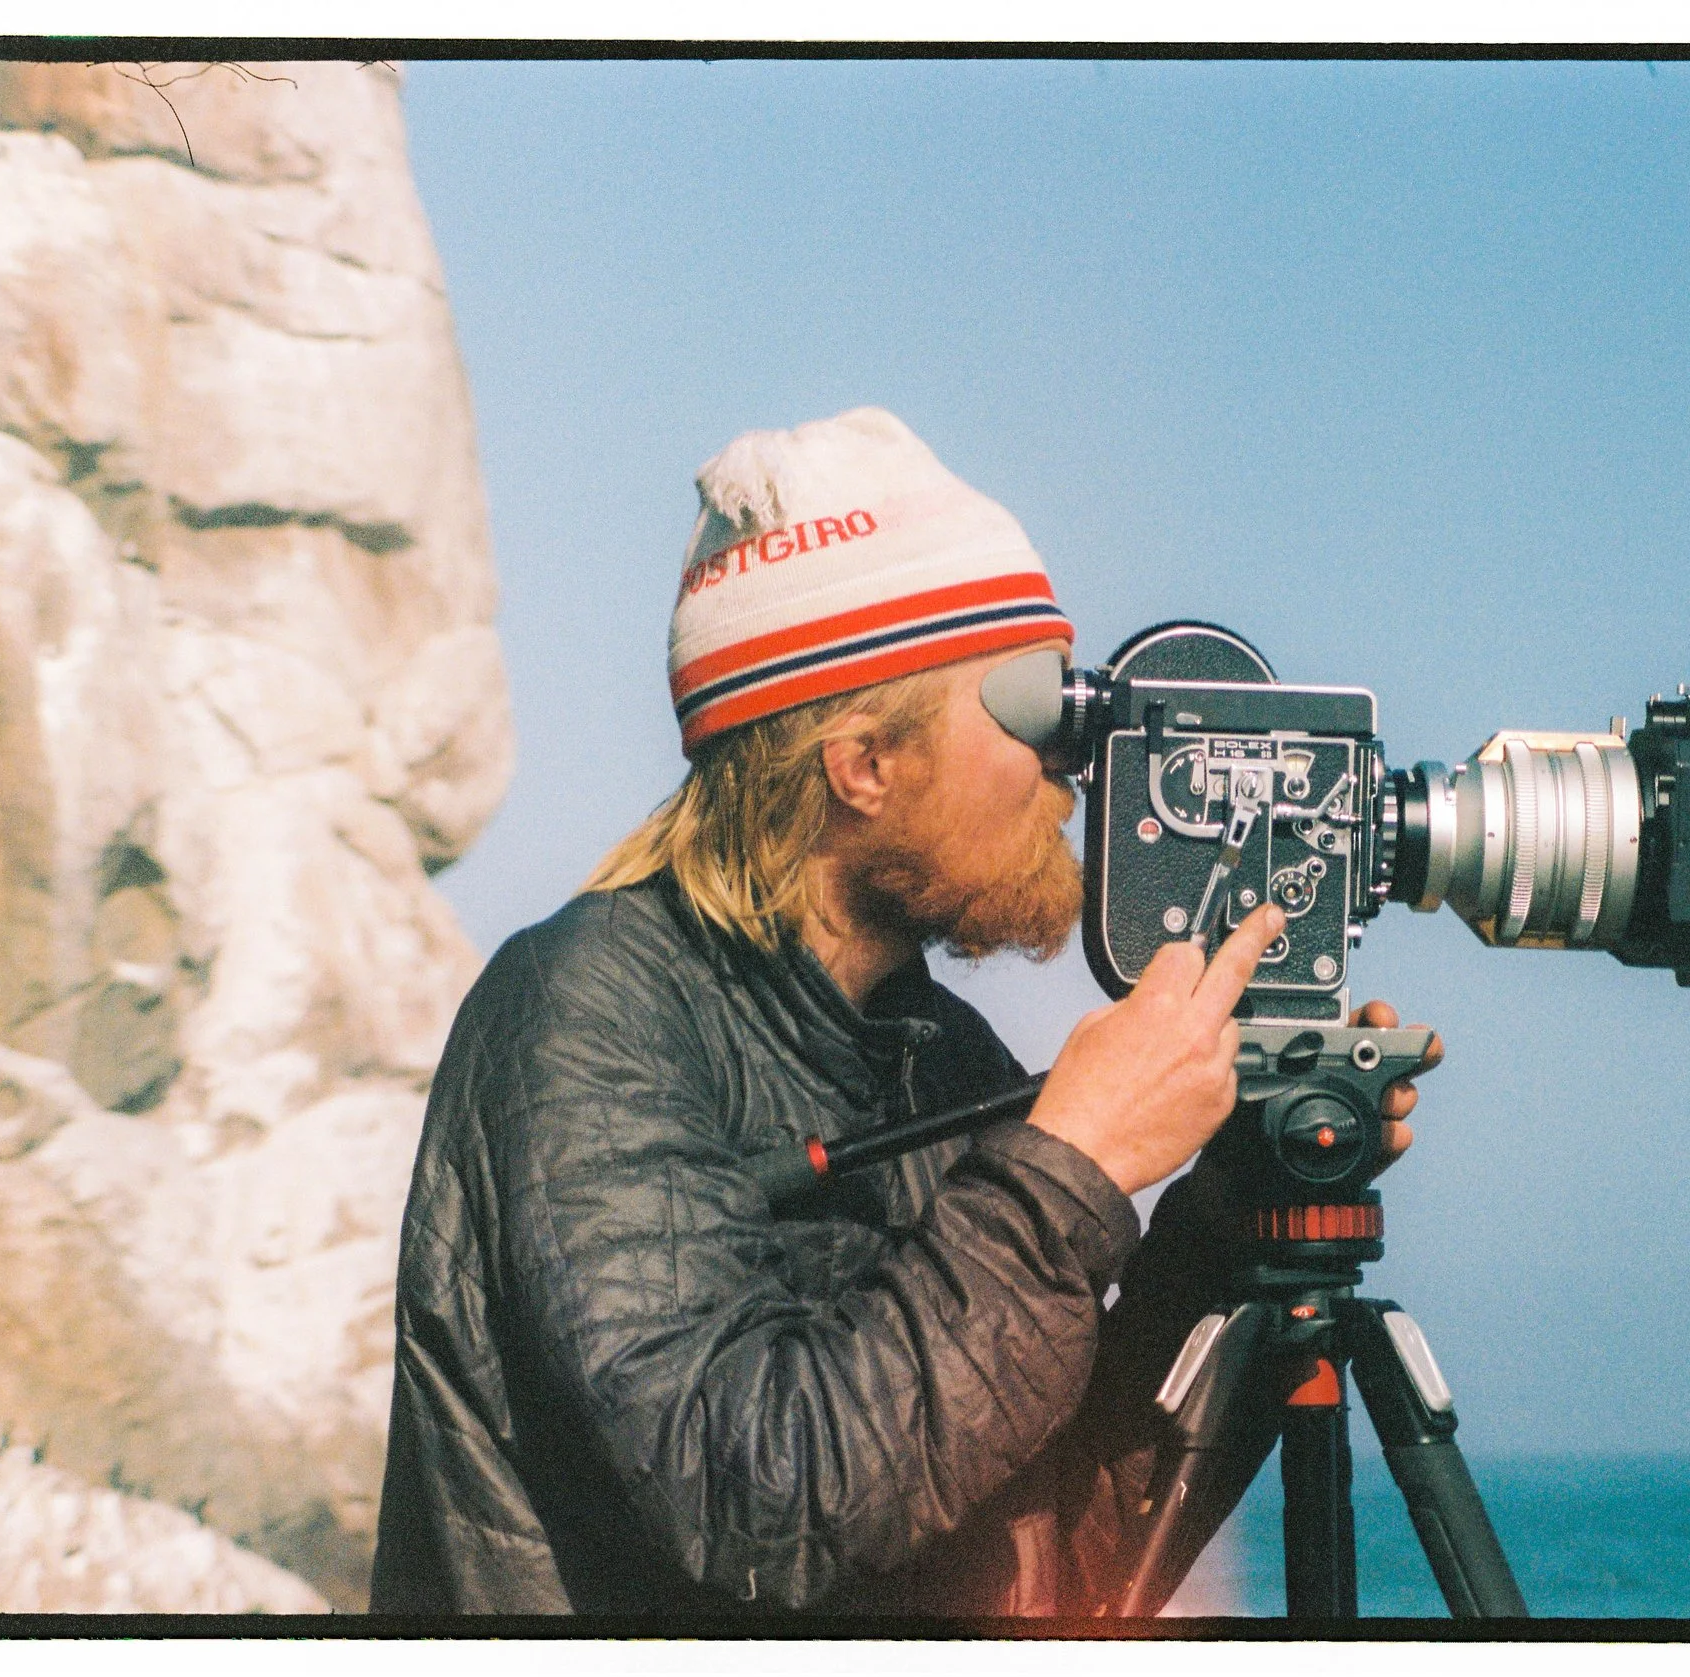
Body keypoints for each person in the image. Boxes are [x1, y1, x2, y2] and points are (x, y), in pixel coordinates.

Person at [369, 408, 1435, 1615]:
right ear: (862, 763)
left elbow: (1048, 1563)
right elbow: (759, 1503)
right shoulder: (582, 1018)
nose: (1074, 762)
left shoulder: (938, 1060)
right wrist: (1067, 1168)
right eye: (1037, 711)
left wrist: (1220, 1233)